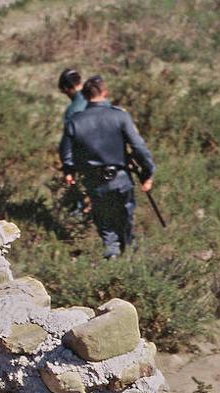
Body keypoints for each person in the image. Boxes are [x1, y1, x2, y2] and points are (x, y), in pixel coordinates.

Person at [59, 76, 156, 259]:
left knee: (104, 220)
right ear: (105, 93)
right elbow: (138, 147)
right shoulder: (119, 116)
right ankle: (128, 253)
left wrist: (69, 171)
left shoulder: (74, 121)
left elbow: (66, 153)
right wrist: (147, 173)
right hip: (121, 179)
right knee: (125, 216)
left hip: (94, 181)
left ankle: (112, 254)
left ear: (85, 95)